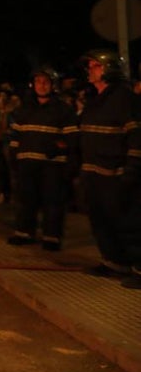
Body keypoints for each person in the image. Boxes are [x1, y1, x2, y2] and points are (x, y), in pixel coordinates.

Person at [74, 49, 141, 284]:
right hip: (95, 176)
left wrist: (131, 170)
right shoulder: (94, 101)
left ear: (109, 68)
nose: (90, 70)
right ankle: (115, 262)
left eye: (95, 66)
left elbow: (136, 137)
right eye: (90, 66)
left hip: (117, 175)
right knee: (101, 221)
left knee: (129, 223)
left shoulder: (125, 99)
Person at [6, 66, 79, 251]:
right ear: (32, 84)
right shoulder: (23, 110)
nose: (42, 85)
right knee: (26, 199)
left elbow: (72, 138)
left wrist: (58, 147)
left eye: (46, 82)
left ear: (53, 85)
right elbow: (15, 137)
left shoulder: (63, 110)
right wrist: (14, 157)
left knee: (52, 201)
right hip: (26, 164)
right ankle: (24, 233)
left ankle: (51, 237)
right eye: (38, 81)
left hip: (52, 165)